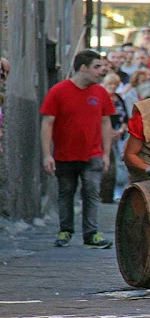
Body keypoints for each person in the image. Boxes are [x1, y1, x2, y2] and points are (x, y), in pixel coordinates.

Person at [40, 50, 115, 249]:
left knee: (91, 191)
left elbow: (106, 122)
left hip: (93, 154)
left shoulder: (100, 93)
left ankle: (91, 234)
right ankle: (65, 230)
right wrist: (47, 155)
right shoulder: (58, 91)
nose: (101, 71)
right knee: (66, 192)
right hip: (65, 155)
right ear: (83, 68)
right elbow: (47, 123)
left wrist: (106, 154)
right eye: (96, 67)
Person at [101, 73, 130, 202]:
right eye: (110, 84)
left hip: (120, 134)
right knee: (109, 163)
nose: (113, 87)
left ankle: (119, 192)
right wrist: (110, 131)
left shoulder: (119, 98)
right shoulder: (102, 98)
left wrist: (121, 130)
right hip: (105, 134)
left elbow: (125, 117)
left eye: (115, 85)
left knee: (121, 162)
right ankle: (106, 193)